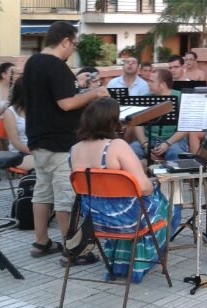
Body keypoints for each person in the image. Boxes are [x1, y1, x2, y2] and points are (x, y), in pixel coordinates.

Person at [23, 21, 109, 264]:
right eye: (74, 44)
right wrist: (96, 93)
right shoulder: (56, 66)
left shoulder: (32, 62)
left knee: (42, 192)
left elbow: (51, 97)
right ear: (66, 41)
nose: (73, 50)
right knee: (65, 196)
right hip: (59, 141)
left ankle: (41, 242)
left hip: (38, 138)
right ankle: (72, 249)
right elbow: (66, 103)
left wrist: (79, 88)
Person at [69, 97, 166, 283]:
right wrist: (154, 182)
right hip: (128, 222)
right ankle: (138, 265)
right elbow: (144, 188)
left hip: (95, 222)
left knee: (125, 202)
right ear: (112, 121)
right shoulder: (116, 146)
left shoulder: (74, 150)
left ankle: (119, 264)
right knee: (165, 202)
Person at [130, 69, 189, 161]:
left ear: (162, 85)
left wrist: (167, 144)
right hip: (149, 140)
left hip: (173, 141)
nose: (148, 84)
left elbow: (186, 127)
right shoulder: (145, 98)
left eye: (151, 81)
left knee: (175, 153)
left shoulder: (181, 98)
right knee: (132, 149)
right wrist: (145, 145)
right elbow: (138, 125)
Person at [3, 77, 34, 170]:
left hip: (38, 150)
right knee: (45, 164)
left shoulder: (36, 109)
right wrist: (35, 152)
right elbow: (15, 142)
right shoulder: (10, 112)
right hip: (19, 152)